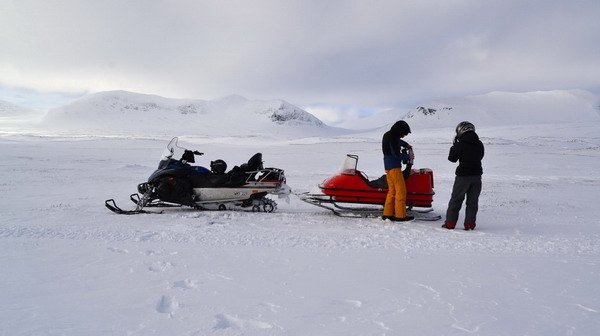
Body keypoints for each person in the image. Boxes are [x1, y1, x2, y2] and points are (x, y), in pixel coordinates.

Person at [443, 121, 485, 230]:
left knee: (456, 200)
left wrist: (454, 146)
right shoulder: (479, 143)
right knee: (473, 202)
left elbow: (452, 158)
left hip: (463, 176)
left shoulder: (460, 143)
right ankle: (470, 224)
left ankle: (450, 224)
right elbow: (480, 156)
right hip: (477, 176)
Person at [381, 120, 414, 221]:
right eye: (404, 133)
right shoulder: (393, 138)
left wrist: (406, 145)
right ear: (400, 130)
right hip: (395, 168)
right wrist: (408, 156)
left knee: (392, 191)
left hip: (388, 167)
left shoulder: (388, 135)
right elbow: (397, 155)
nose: (404, 135)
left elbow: (399, 142)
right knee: (401, 191)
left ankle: (387, 213)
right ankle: (400, 215)